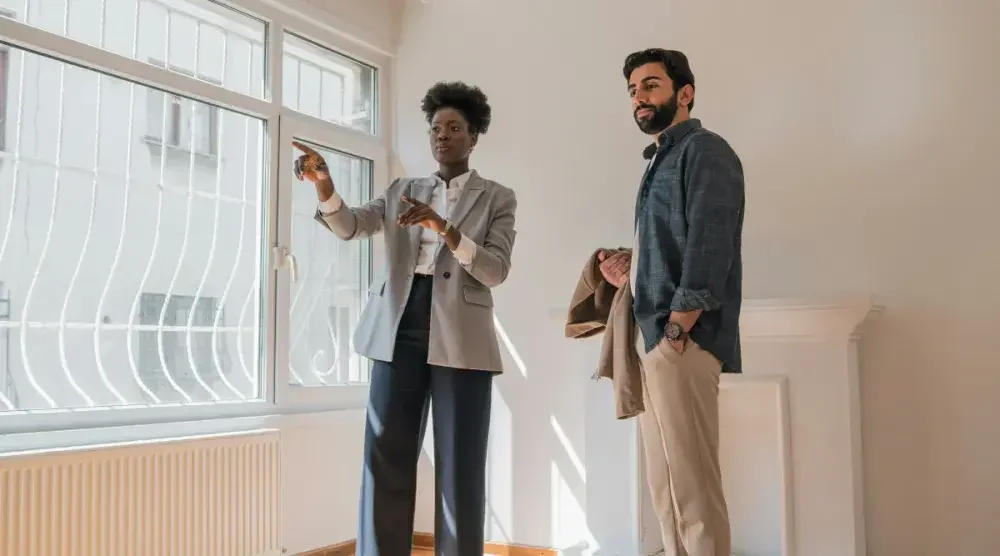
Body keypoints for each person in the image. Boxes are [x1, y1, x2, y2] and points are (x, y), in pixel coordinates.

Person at [293, 81, 517, 556]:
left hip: (463, 333)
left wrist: (446, 229)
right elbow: (352, 225)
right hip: (398, 325)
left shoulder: (498, 197)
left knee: (460, 463)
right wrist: (325, 185)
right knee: (385, 454)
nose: (442, 135)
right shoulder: (402, 190)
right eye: (436, 127)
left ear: (473, 137)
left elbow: (495, 270)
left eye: (454, 127)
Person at [599, 49, 744, 556]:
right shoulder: (662, 158)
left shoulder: (707, 151)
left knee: (694, 490)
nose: (640, 97)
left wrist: (677, 330)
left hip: (681, 339)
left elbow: (711, 243)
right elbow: (671, 246)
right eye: (634, 90)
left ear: (685, 93)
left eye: (651, 85)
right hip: (653, 336)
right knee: (667, 491)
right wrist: (629, 267)